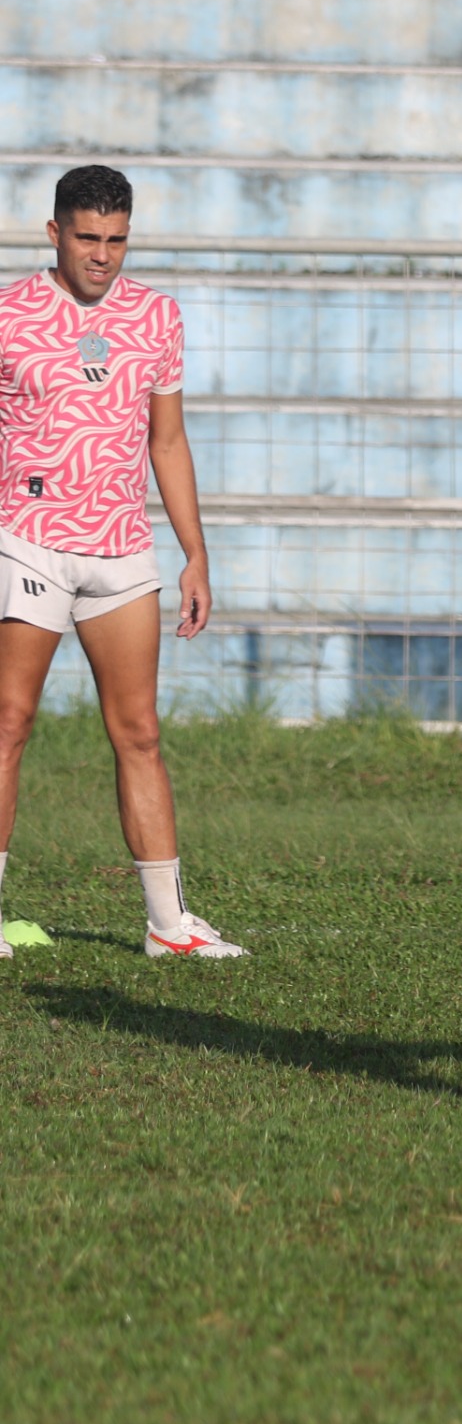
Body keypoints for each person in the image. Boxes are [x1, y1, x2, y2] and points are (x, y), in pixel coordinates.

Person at [0, 165, 241, 960]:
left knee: (138, 731)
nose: (102, 254)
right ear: (54, 233)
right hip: (24, 538)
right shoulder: (9, 313)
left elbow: (166, 441)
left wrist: (195, 554)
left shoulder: (157, 315)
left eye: (116, 239)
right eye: (87, 237)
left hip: (122, 549)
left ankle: (169, 926)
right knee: (8, 723)